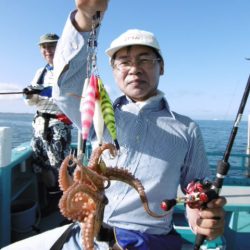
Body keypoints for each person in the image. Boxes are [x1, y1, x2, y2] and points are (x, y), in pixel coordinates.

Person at [3, 1, 226, 249]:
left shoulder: (186, 129)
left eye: (145, 59)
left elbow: (195, 190)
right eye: (124, 62)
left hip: (149, 241)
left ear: (161, 66)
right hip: (88, 234)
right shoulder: (99, 111)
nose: (134, 69)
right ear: (113, 69)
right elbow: (65, 89)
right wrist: (86, 18)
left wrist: (202, 219)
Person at [23, 33, 73, 204]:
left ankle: (68, 205)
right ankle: (53, 201)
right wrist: (29, 95)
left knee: (61, 167)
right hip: (39, 125)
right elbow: (32, 103)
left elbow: (69, 96)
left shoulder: (69, 69)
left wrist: (46, 91)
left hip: (58, 124)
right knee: (41, 165)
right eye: (44, 47)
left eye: (52, 46)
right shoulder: (40, 72)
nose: (48, 50)